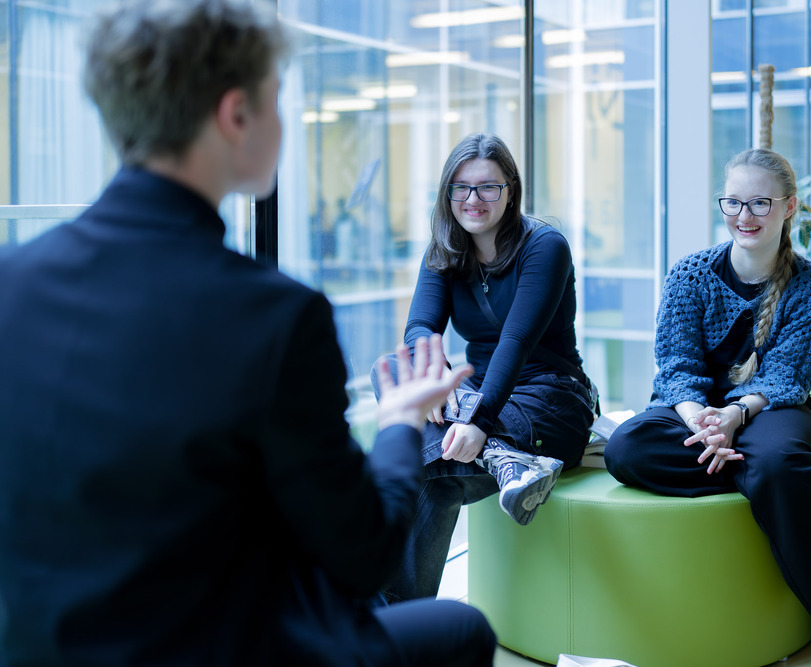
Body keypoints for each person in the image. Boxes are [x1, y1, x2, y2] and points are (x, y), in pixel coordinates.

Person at [0, 2, 496, 665]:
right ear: (236, 116)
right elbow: (362, 555)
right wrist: (400, 421)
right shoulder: (275, 317)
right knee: (462, 631)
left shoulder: (14, 281)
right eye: (275, 100)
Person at [603, 148, 811, 662]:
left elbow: (787, 376)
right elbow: (676, 366)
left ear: (789, 207)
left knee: (777, 459)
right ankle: (808, 488)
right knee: (627, 449)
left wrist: (734, 416)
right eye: (733, 202)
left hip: (772, 409)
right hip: (693, 411)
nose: (744, 216)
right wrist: (704, 421)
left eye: (759, 203)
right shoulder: (689, 275)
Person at [372, 132, 596, 602]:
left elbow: (516, 341)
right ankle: (502, 459)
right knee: (391, 368)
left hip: (549, 399)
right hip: (479, 399)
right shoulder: (445, 248)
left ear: (511, 190)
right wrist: (436, 383)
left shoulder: (544, 246)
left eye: (488, 187)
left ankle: (391, 621)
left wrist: (477, 420)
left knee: (430, 474)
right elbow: (419, 328)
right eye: (461, 187)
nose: (473, 199)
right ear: (447, 193)